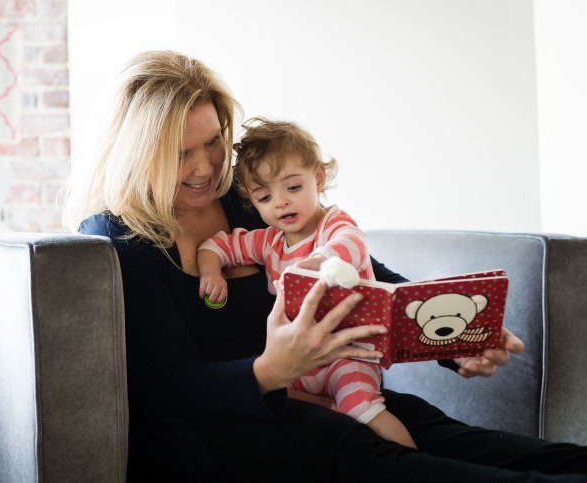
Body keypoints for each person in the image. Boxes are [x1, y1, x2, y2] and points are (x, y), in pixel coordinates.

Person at [67, 49, 587, 481]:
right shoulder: (119, 237)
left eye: (213, 143)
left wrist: (457, 339)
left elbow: (367, 277)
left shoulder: (248, 201)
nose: (206, 168)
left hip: (338, 394)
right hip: (244, 432)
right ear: (137, 155)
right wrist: (271, 371)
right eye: (181, 155)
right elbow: (171, 383)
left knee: (518, 454)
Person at [196, 117, 415, 448]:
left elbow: (352, 244)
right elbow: (216, 246)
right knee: (278, 399)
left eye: (293, 188)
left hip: (348, 352)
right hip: (302, 359)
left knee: (363, 409)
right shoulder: (270, 241)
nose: (280, 202)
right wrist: (211, 271)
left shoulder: (332, 223)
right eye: (264, 198)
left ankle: (410, 463)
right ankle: (340, 423)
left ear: (318, 177)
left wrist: (321, 260)